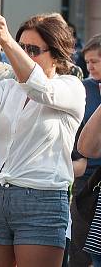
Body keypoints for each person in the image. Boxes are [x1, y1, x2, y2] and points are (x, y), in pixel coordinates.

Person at [0, 11, 84, 267]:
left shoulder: (70, 87)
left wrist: (6, 41)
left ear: (56, 56)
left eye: (33, 50)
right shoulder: (6, 87)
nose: (23, 55)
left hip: (41, 200)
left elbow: (40, 88)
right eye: (21, 47)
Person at [72, 35, 101, 267]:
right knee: (83, 251)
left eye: (95, 61)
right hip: (88, 182)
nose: (90, 66)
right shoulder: (84, 89)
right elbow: (83, 144)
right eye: (87, 61)